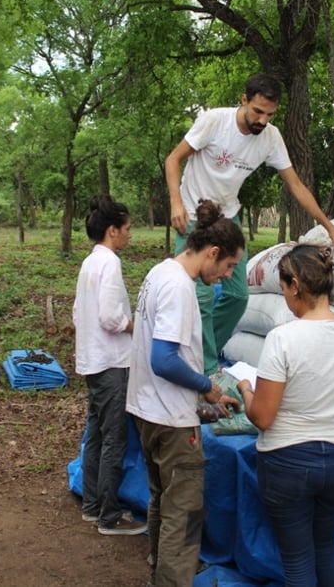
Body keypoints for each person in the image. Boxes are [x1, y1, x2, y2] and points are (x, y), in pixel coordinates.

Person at [166, 72, 334, 378]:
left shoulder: (271, 137)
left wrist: (329, 226)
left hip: (228, 216)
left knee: (238, 296)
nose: (262, 120)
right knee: (200, 296)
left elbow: (295, 184)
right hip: (193, 215)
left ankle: (205, 351)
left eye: (270, 114)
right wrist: (176, 203)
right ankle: (205, 368)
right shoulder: (215, 121)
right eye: (257, 111)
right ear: (244, 100)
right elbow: (173, 159)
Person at [236, 244, 334, 587]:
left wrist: (245, 390)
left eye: (283, 288)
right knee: (325, 547)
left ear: (295, 284)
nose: (283, 296)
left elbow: (264, 418)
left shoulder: (283, 338)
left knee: (297, 560)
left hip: (288, 461)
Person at [126, 199, 244, 587]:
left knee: (163, 498)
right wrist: (207, 386)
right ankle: (172, 579)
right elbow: (164, 359)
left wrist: (207, 397)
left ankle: (160, 570)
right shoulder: (179, 288)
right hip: (171, 421)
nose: (227, 275)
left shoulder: (161, 271)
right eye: (228, 266)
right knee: (184, 511)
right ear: (212, 253)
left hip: (147, 410)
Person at [73, 194, 146, 536]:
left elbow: (79, 313)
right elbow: (110, 317)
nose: (130, 234)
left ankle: (91, 505)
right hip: (113, 363)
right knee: (114, 440)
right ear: (113, 231)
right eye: (128, 229)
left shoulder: (90, 262)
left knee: (97, 436)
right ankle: (109, 516)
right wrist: (138, 326)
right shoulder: (110, 263)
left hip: (93, 361)